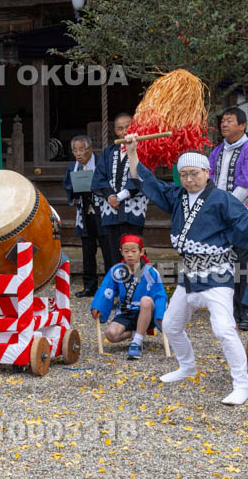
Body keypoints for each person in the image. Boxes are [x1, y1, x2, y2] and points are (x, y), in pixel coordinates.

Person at [126, 143, 248, 405]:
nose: (188, 179)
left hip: (217, 273)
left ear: (207, 172)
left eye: (194, 173)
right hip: (189, 274)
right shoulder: (177, 196)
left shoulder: (222, 198)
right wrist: (132, 153)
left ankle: (241, 385)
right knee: (172, 326)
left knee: (223, 329)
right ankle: (187, 366)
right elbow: (148, 182)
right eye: (184, 174)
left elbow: (243, 224)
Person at [209, 107, 248, 330]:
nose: (224, 124)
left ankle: (245, 311)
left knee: (246, 263)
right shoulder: (218, 150)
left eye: (230, 121)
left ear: (242, 125)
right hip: (223, 213)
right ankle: (229, 312)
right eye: (223, 121)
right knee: (226, 263)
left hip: (246, 213)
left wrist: (227, 205)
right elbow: (210, 176)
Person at [90, 234, 167, 359]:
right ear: (121, 252)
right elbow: (106, 288)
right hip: (126, 311)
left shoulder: (150, 271)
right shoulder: (116, 271)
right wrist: (98, 305)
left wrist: (160, 314)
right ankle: (135, 333)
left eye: (133, 251)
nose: (130, 254)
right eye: (126, 251)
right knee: (111, 335)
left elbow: (160, 295)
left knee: (146, 300)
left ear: (141, 252)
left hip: (146, 313)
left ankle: (136, 342)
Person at [92, 113, 148, 267]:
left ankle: (138, 286)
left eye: (128, 127)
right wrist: (109, 196)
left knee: (134, 249)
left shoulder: (142, 149)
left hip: (132, 208)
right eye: (120, 128)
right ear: (116, 131)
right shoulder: (108, 151)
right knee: (112, 250)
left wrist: (120, 196)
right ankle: (117, 286)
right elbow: (99, 177)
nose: (124, 131)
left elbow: (141, 177)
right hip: (110, 209)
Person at [64, 134, 111, 297]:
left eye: (81, 150)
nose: (78, 154)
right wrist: (75, 190)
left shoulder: (101, 164)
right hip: (84, 212)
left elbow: (107, 184)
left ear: (90, 150)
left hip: (102, 211)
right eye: (75, 150)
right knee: (87, 250)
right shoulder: (73, 168)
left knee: (107, 250)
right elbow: (68, 185)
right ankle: (90, 286)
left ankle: (109, 287)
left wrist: (93, 186)